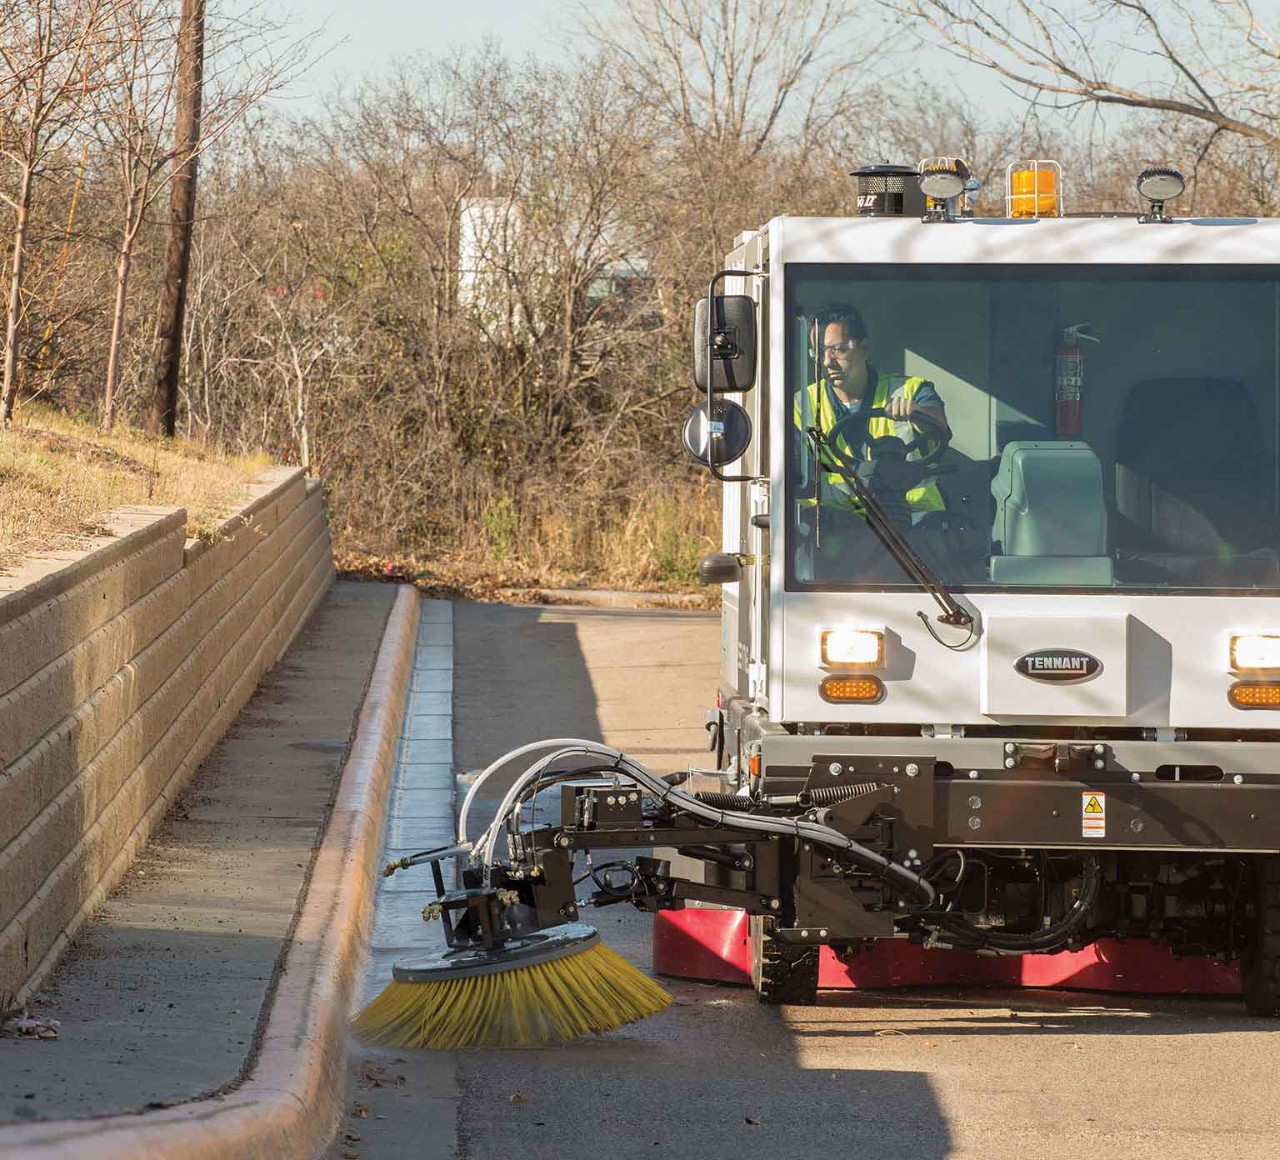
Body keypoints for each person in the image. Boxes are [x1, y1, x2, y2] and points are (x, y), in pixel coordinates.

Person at [795, 303, 948, 522]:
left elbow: (938, 425)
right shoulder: (801, 406)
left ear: (864, 348)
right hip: (836, 530)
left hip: (914, 527)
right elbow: (790, 471)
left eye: (838, 349)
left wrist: (916, 412)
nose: (827, 362)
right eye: (818, 352)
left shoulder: (912, 391)